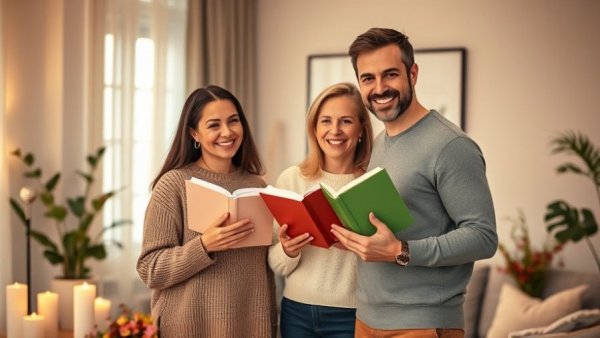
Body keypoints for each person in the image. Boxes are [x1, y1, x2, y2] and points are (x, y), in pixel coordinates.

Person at [330, 28, 498, 337]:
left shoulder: (451, 146)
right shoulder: (379, 142)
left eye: (390, 75)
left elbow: (483, 237)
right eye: (368, 78)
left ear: (413, 73)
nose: (379, 88)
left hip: (422, 323)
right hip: (366, 318)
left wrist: (401, 250)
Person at [136, 85, 277, 337]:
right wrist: (204, 245)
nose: (227, 132)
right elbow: (150, 269)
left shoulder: (257, 186)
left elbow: (261, 269)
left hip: (248, 326)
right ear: (194, 134)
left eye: (233, 121)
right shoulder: (174, 184)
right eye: (214, 125)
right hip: (189, 327)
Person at [268, 82, 373, 338]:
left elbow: (387, 259)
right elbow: (275, 263)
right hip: (296, 312)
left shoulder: (372, 184)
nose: (334, 130)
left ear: (361, 129)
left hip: (353, 314)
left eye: (346, 121)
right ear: (314, 129)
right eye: (325, 121)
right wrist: (288, 251)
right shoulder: (291, 179)